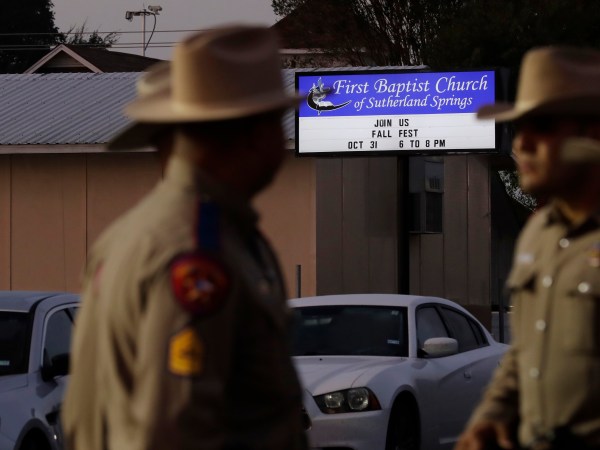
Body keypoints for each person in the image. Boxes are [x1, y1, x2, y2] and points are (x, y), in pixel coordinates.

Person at [62, 25, 308, 450]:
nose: (282, 140)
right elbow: (175, 429)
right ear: (248, 134)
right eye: (275, 122)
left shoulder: (134, 234)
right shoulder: (198, 253)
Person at [455, 46, 600, 450]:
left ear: (593, 135)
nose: (524, 143)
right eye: (520, 127)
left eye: (544, 126)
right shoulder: (539, 232)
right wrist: (491, 417)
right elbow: (526, 353)